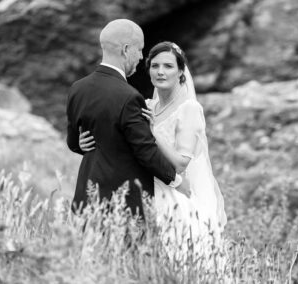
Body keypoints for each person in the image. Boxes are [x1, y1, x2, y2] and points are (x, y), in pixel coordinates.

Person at [79, 41, 227, 246]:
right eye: (155, 66)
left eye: (168, 66)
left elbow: (181, 164)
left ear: (181, 72)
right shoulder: (147, 105)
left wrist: (152, 132)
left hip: (173, 195)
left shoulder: (189, 109)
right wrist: (82, 141)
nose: (160, 72)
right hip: (141, 190)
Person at [66, 20, 189, 219]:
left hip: (86, 202)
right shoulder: (130, 97)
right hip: (122, 207)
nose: (141, 57)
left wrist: (81, 144)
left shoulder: (77, 89)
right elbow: (145, 151)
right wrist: (176, 181)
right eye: (139, 50)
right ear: (126, 49)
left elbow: (73, 142)